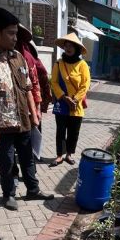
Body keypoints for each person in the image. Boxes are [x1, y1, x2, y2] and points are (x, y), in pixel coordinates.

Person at [0, 8, 54, 210]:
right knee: (7, 162)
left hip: (24, 119)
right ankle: (8, 194)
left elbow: (27, 87)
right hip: (3, 124)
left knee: (28, 158)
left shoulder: (18, 56)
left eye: (16, 33)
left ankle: (33, 190)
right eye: (10, 33)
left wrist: (34, 113)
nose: (14, 37)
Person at [49, 32, 90, 167]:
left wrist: (75, 99)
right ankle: (59, 155)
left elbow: (85, 84)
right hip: (62, 103)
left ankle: (69, 154)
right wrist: (63, 97)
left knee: (73, 132)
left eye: (71, 45)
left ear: (77, 48)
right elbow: (54, 82)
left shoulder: (82, 64)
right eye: (66, 45)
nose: (68, 48)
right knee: (60, 130)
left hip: (76, 106)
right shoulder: (58, 63)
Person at [16, 25, 51, 160]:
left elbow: (36, 84)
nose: (13, 39)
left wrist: (37, 107)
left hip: (29, 105)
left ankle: (33, 157)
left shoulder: (27, 58)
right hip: (10, 109)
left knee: (33, 132)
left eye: (15, 35)